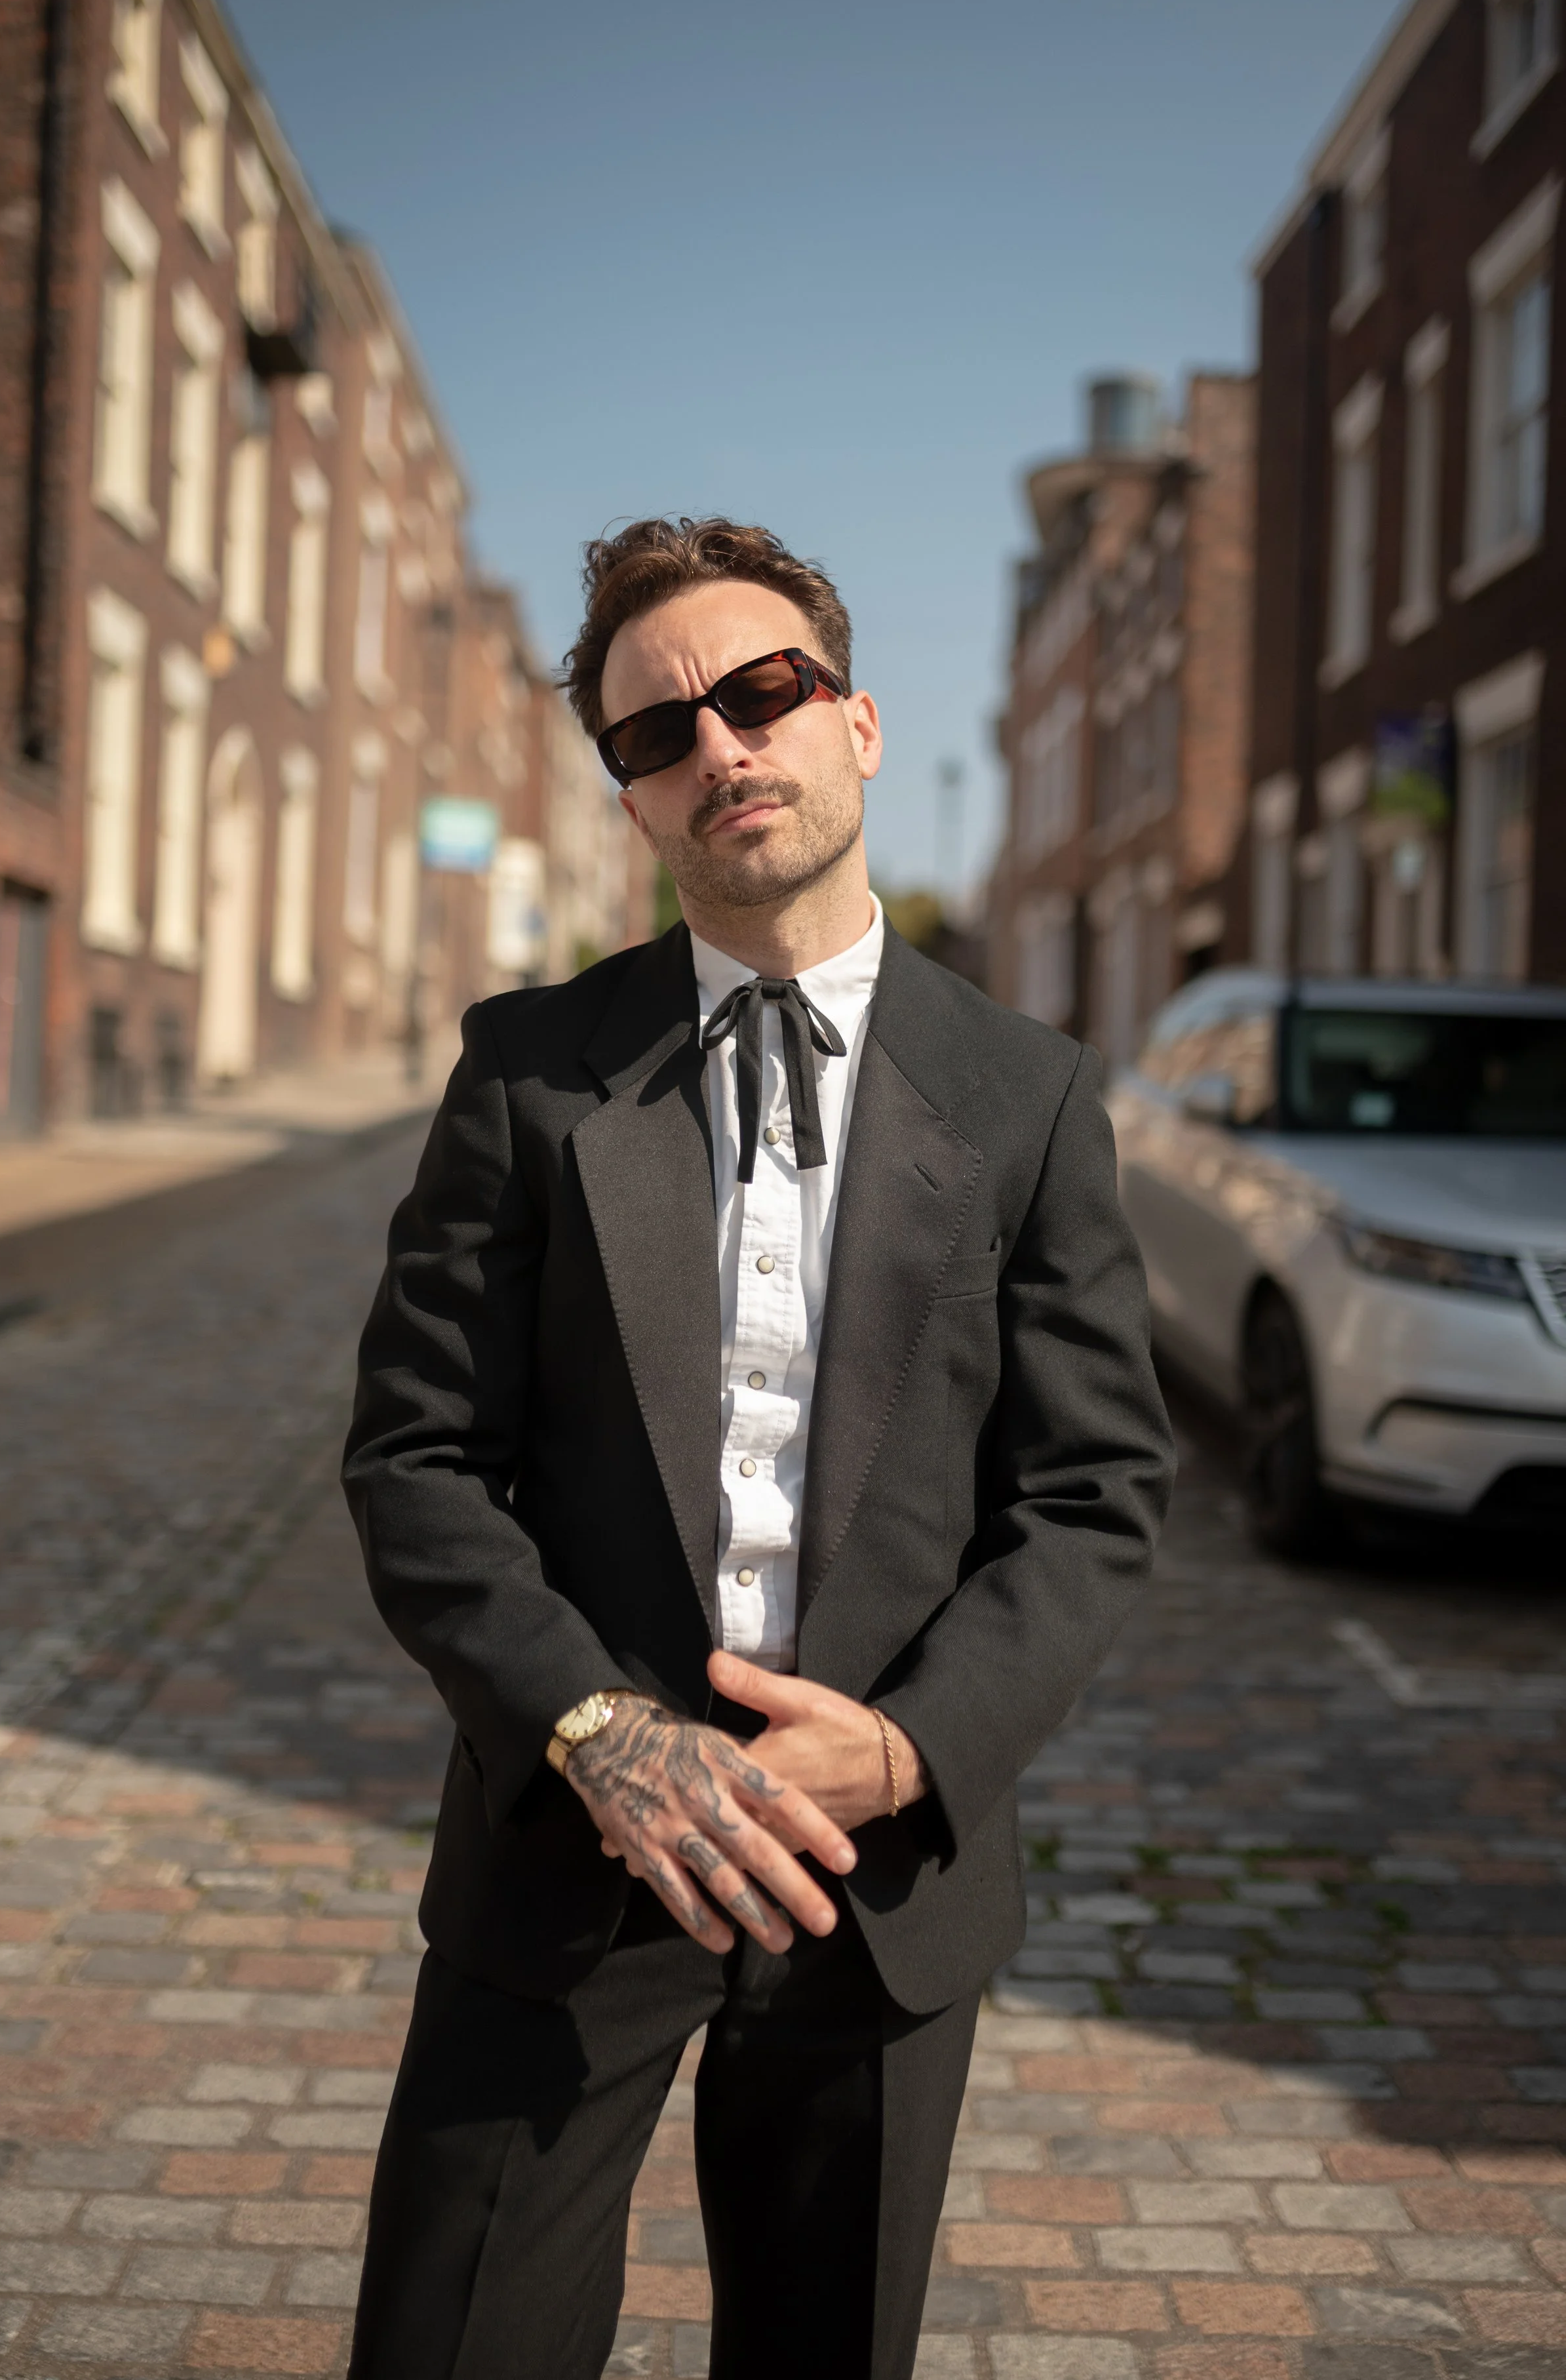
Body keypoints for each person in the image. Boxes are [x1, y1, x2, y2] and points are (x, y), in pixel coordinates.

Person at [342, 517, 1174, 2380]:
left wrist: (908, 1747)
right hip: (575, 1840)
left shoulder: (1027, 1094)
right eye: (658, 732)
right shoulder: (525, 1071)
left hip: (873, 1875)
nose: (719, 745)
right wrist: (596, 1732)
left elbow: (1091, 1492)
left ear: (858, 724)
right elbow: (415, 1457)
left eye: (761, 691)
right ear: (630, 802)